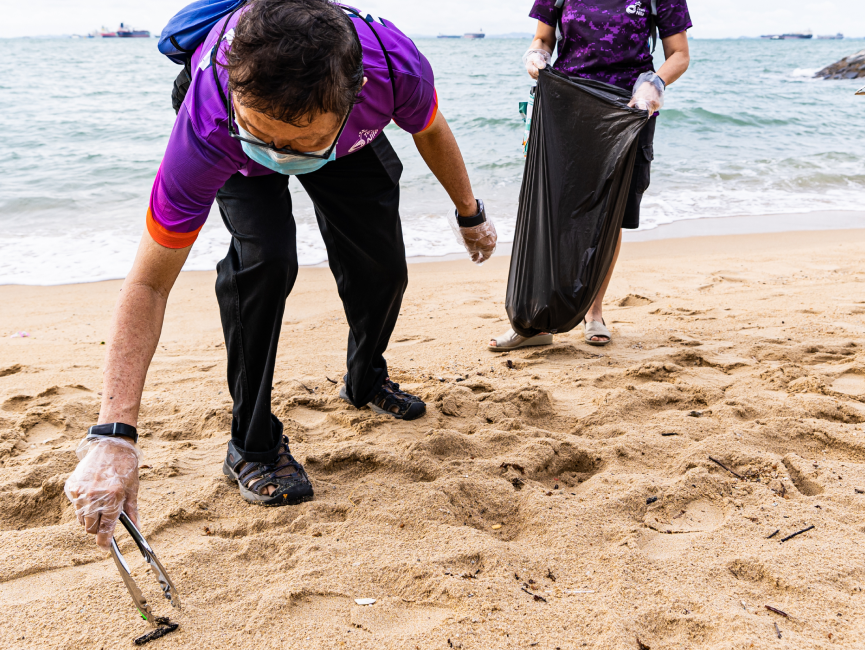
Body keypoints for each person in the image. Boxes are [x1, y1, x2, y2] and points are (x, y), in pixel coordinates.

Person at [64, 0, 497, 546]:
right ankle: (252, 443)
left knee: (381, 264)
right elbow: (149, 282)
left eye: (296, 143)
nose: (278, 155)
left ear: (358, 93)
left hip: (343, 139)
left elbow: (431, 129)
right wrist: (112, 436)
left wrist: (469, 212)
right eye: (264, 135)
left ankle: (365, 377)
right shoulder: (211, 121)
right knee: (265, 260)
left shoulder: (395, 69)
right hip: (233, 141)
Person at [488, 0, 691, 351]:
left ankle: (593, 312)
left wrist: (655, 84)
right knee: (555, 213)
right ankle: (535, 323)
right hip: (567, 106)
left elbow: (679, 54)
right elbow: (543, 39)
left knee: (610, 216)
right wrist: (536, 56)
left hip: (629, 112)